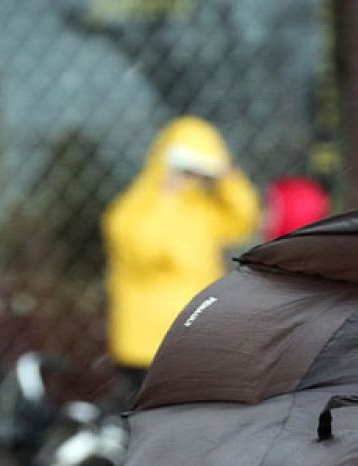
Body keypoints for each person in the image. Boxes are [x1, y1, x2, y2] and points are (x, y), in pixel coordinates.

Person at [102, 116, 260, 401]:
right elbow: (144, 252)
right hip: (148, 347)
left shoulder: (200, 209)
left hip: (197, 340)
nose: (191, 177)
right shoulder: (132, 209)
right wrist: (167, 196)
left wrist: (226, 175)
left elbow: (243, 220)